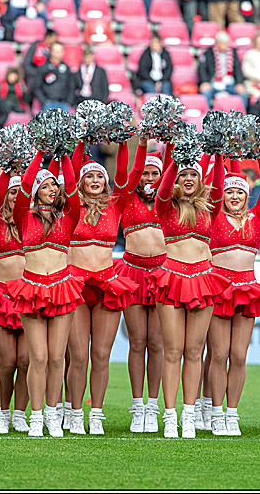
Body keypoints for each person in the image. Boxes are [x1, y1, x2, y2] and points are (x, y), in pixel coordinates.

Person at [150, 146, 230, 438]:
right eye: (182, 174)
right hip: (172, 277)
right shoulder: (165, 206)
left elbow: (219, 184)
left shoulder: (210, 207)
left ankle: (189, 412)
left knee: (195, 351)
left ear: (200, 180)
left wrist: (218, 154)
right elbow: (162, 188)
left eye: (192, 174)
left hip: (202, 279)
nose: (187, 178)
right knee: (172, 351)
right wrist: (175, 160)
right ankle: (169, 415)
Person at [63, 142, 141, 435]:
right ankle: (73, 413)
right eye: (89, 177)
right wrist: (80, 141)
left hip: (107, 284)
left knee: (100, 356)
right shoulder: (70, 206)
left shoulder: (115, 205)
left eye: (99, 177)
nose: (95, 181)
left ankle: (96, 413)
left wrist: (125, 143)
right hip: (77, 286)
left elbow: (127, 174)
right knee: (78, 356)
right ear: (81, 183)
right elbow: (68, 177)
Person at [6, 149, 83, 437]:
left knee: (56, 358)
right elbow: (24, 187)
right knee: (37, 357)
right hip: (32, 287)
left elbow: (73, 189)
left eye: (54, 185)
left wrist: (64, 156)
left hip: (62, 287)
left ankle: (52, 414)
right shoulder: (23, 216)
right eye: (45, 186)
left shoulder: (69, 214)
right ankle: (35, 416)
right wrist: (40, 152)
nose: (51, 189)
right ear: (36, 191)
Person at [206, 155, 260, 436]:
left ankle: (232, 413)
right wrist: (220, 154)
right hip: (220, 289)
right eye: (229, 192)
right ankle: (215, 412)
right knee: (219, 354)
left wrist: (259, 153)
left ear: (248, 196)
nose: (234, 196)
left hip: (247, 290)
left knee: (238, 355)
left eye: (240, 192)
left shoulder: (257, 218)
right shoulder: (213, 215)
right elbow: (212, 186)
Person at [114, 143, 168, 433]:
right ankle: (137, 406)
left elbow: (172, 167)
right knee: (137, 342)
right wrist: (142, 142)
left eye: (154, 174)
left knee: (157, 343)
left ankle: (153, 405)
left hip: (162, 272)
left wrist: (170, 139)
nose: (149, 178)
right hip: (133, 271)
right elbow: (128, 172)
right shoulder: (125, 198)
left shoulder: (167, 199)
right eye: (145, 173)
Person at [0, 170, 30, 433]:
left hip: (29, 295)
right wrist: (8, 166)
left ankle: (19, 414)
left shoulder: (34, 221)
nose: (16, 196)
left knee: (27, 360)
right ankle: (1, 412)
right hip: (2, 296)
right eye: (12, 192)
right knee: (6, 363)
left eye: (21, 191)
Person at [198, 31, 246, 108]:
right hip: (213, 82)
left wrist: (239, 83)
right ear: (217, 43)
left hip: (229, 82)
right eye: (223, 43)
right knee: (205, 93)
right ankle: (207, 116)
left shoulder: (233, 52)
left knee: (242, 93)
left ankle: (242, 116)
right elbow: (202, 69)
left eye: (226, 43)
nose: (225, 46)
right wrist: (205, 82)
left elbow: (237, 68)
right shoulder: (208, 52)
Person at [31, 42, 73, 111]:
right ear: (51, 52)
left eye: (60, 51)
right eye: (56, 51)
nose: (58, 53)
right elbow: (36, 86)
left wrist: (68, 102)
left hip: (63, 104)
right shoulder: (43, 68)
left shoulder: (67, 68)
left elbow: (71, 87)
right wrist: (43, 101)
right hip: (48, 103)